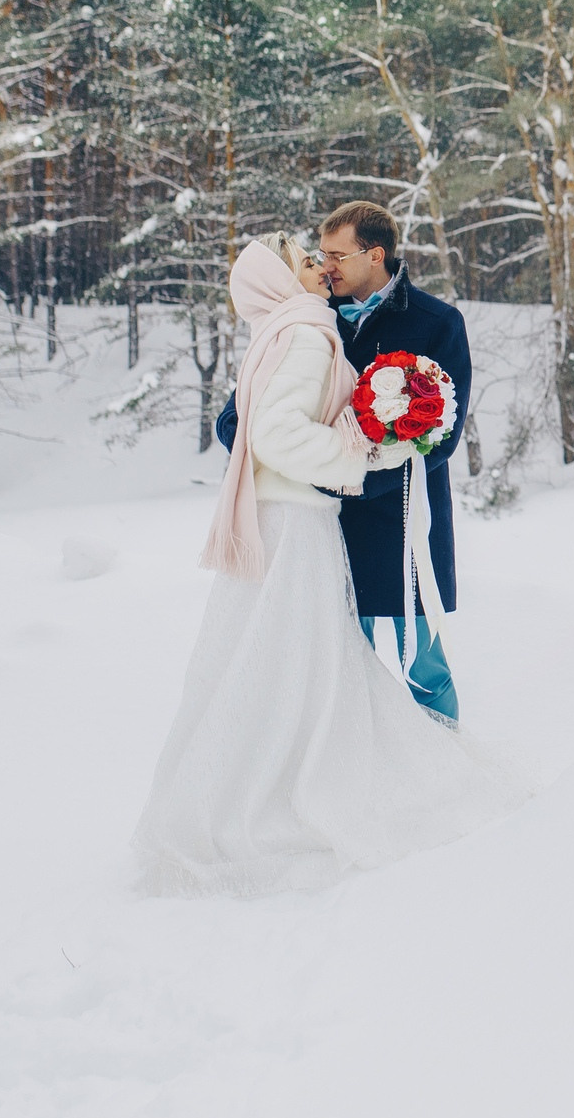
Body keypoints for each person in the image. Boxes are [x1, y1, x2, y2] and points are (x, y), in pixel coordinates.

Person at [134, 236, 518, 897]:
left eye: (329, 254)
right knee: (309, 666)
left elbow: (432, 431)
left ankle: (250, 786)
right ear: (287, 280)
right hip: (299, 522)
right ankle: (307, 791)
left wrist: (394, 432)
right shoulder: (310, 333)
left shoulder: (288, 333)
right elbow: (263, 431)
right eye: (310, 259)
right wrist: (358, 455)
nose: (323, 265)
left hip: (299, 520)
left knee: (278, 665)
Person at [218, 202, 472, 726]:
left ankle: (447, 763)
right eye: (321, 254)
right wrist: (283, 457)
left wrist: (367, 477)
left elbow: (442, 435)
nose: (324, 265)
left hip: (404, 522)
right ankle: (357, 776)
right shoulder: (308, 316)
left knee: (425, 666)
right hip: (323, 528)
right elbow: (237, 417)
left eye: (336, 255)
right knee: (339, 666)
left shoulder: (437, 322)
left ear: (374, 254)